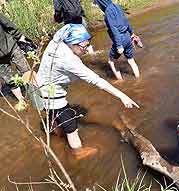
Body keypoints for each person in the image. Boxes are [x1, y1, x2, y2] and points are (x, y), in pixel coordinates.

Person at [36, 24, 139, 159]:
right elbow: (96, 80)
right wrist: (122, 96)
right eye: (84, 47)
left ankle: (56, 135)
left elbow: (67, 27)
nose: (86, 50)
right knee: (70, 123)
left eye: (88, 44)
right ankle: (78, 152)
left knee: (53, 115)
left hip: (40, 86)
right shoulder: (69, 60)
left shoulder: (58, 40)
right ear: (73, 44)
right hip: (53, 95)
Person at [95, 0, 140, 80]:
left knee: (111, 61)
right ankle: (139, 78)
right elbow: (126, 21)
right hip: (127, 36)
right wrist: (132, 33)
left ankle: (120, 81)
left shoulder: (108, 11)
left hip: (120, 39)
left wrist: (119, 45)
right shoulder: (117, 6)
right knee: (131, 60)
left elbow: (114, 29)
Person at [0, 13, 33, 110]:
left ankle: (35, 93)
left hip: (11, 46)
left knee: (26, 70)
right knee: (10, 80)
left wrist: (19, 36)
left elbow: (8, 24)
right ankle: (21, 100)